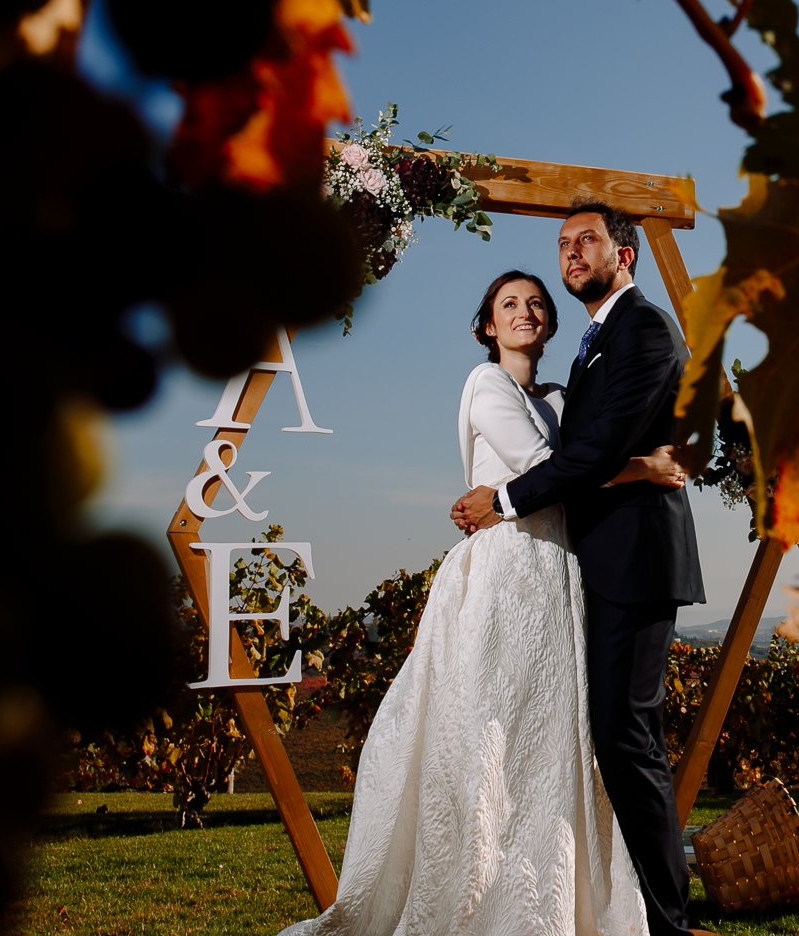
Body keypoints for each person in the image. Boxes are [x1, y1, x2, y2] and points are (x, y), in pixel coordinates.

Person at [280, 269, 684, 936]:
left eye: (534, 304)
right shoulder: (485, 383)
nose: (524, 312)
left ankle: (555, 897)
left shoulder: (559, 396)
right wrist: (644, 466)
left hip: (562, 577)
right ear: (486, 327)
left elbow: (574, 459)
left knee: (556, 742)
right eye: (508, 305)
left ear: (551, 324)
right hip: (509, 577)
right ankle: (481, 897)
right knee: (494, 736)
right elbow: (546, 468)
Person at [451, 202, 707, 936]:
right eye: (562, 243)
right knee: (603, 740)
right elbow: (587, 453)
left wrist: (500, 498)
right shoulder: (590, 349)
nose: (570, 253)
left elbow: (583, 456)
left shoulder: (645, 328)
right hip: (588, 566)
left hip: (635, 562)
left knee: (627, 739)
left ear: (625, 255)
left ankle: (669, 924)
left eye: (586, 240)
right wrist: (641, 465)